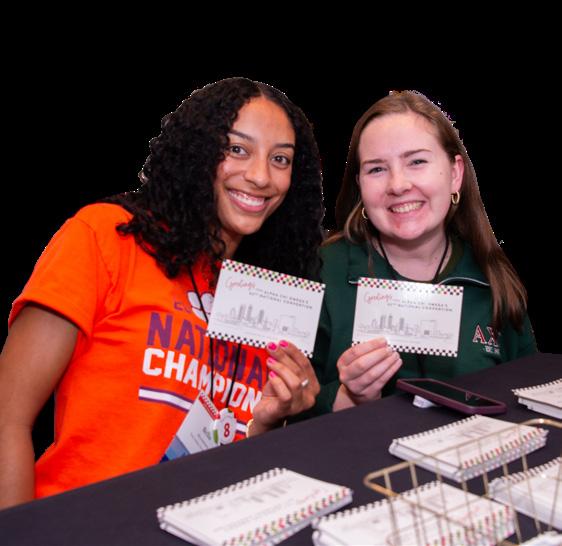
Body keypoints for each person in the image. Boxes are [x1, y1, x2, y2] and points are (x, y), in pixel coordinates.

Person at [0, 77, 324, 508]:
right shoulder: (106, 236)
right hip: (82, 525)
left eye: (280, 159)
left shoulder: (268, 294)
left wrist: (266, 422)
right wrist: (17, 534)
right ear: (197, 151)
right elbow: (7, 417)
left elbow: (229, 454)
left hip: (205, 526)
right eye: (237, 149)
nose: (260, 176)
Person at [310, 90, 536, 413]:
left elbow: (529, 403)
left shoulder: (493, 278)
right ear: (359, 185)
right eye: (377, 169)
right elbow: (284, 415)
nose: (398, 185)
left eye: (417, 162)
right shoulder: (322, 271)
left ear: (455, 174)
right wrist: (348, 397)